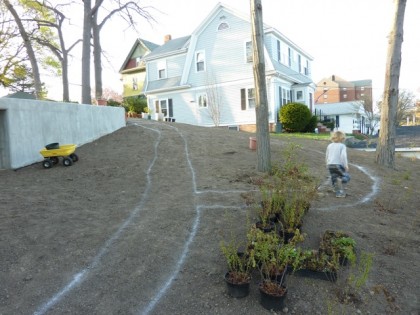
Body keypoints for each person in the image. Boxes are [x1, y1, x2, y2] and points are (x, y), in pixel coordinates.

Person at [325, 130, 350, 198]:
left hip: (330, 164)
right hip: (338, 164)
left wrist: (327, 163)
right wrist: (346, 165)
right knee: (346, 177)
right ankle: (340, 193)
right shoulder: (342, 146)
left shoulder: (329, 145)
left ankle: (335, 188)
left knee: (334, 177)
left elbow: (327, 155)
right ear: (342, 138)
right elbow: (343, 156)